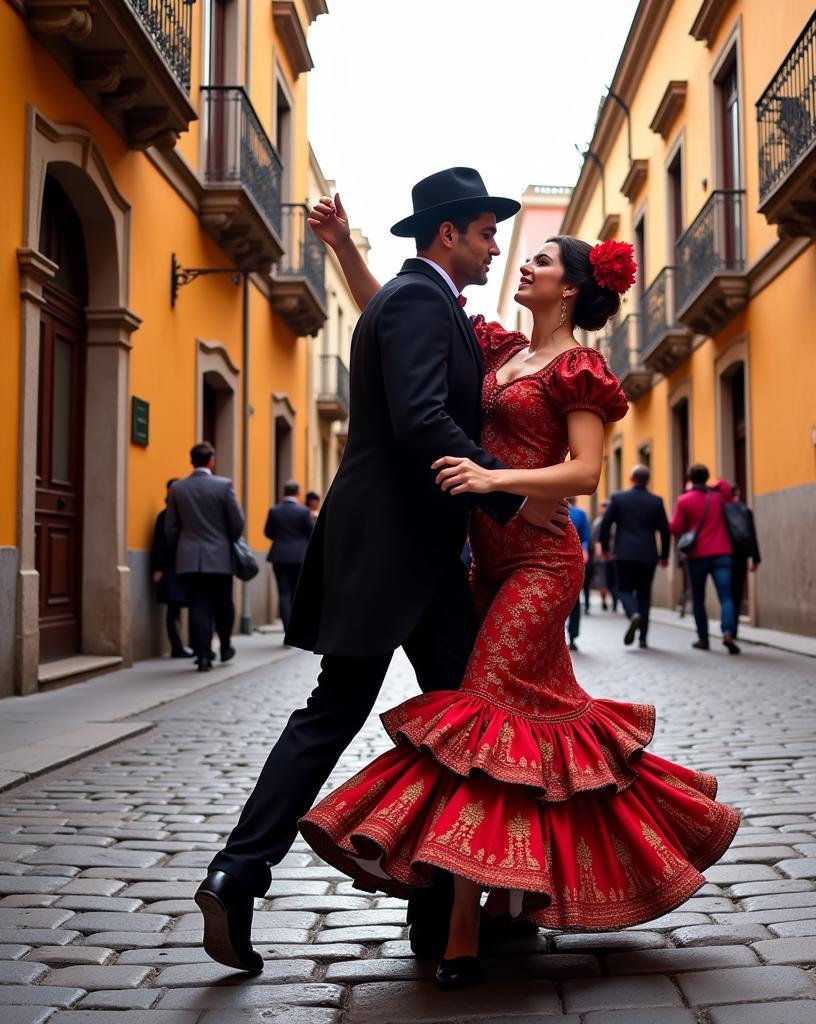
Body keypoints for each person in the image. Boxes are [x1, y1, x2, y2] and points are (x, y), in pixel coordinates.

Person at [297, 214, 739, 990]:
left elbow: (584, 475)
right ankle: (513, 894)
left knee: (481, 718)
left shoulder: (580, 370)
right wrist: (343, 250)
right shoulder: (501, 350)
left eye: (536, 258)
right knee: (523, 730)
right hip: (485, 562)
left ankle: (465, 924)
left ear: (569, 286)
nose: (519, 264)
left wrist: (493, 481)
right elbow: (397, 311)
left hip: (541, 564)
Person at [196, 169, 568, 975]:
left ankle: (435, 913)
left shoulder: (418, 303)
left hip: (415, 553)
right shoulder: (416, 302)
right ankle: (258, 870)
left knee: (454, 718)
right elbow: (421, 418)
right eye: (484, 231)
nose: (494, 246)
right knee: (401, 713)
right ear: (447, 236)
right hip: (398, 546)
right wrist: (508, 497)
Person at [165, 443, 244, 673]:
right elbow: (237, 523)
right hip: (219, 557)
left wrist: (181, 548)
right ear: (211, 460)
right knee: (224, 604)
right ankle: (225, 644)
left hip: (189, 558)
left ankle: (203, 656)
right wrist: (227, 539)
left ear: (192, 461)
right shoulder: (224, 485)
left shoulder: (178, 488)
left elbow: (170, 528)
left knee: (198, 607)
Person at [598, 465, 670, 649]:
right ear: (648, 481)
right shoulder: (656, 501)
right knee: (645, 594)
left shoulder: (619, 498)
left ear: (631, 479)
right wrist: (665, 555)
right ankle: (643, 638)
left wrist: (605, 548)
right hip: (648, 555)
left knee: (623, 590)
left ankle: (633, 613)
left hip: (624, 553)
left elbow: (605, 525)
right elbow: (665, 530)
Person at [670, 465, 739, 654]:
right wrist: (719, 482)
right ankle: (727, 632)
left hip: (697, 556)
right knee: (726, 596)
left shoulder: (684, 500)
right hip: (722, 552)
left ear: (690, 478)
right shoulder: (717, 496)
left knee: (698, 599)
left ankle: (703, 638)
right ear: (707, 478)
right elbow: (729, 493)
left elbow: (675, 528)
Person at [264, 481, 314, 632]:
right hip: (299, 556)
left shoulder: (274, 511)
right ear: (297, 494)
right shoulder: (304, 511)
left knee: (283, 593)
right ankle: (296, 629)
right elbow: (310, 532)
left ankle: (288, 630)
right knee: (296, 592)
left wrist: (281, 539)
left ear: (282, 493)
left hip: (279, 556)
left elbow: (268, 532)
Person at [151, 479, 192, 659]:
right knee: (174, 607)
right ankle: (176, 647)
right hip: (170, 568)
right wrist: (158, 568)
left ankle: (183, 645)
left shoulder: (183, 514)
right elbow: (159, 544)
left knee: (179, 607)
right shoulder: (165, 516)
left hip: (182, 566)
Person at [727, 485, 761, 638]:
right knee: (737, 593)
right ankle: (733, 628)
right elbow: (752, 535)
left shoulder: (722, 510)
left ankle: (727, 626)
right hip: (740, 556)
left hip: (724, 555)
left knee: (726, 594)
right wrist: (755, 558)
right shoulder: (745, 511)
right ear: (737, 494)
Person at [565, 497, 590, 651]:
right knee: (574, 599)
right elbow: (586, 538)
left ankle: (569, 637)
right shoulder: (579, 514)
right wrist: (584, 550)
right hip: (572, 557)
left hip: (555, 558)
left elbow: (586, 538)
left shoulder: (578, 514)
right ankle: (572, 637)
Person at [592, 499, 617, 611]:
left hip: (613, 556)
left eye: (606, 506)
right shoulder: (597, 522)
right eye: (602, 506)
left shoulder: (615, 522)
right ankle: (604, 600)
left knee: (613, 579)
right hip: (601, 556)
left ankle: (615, 601)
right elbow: (594, 539)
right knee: (602, 579)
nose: (604, 508)